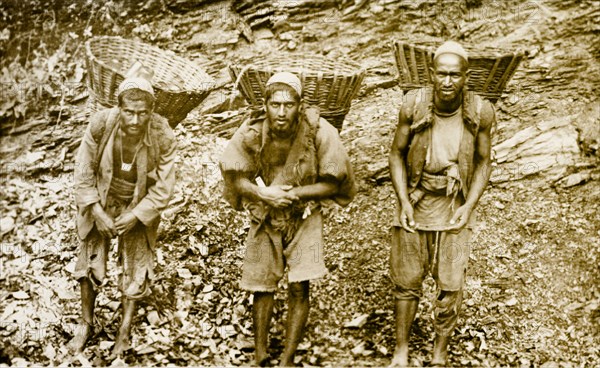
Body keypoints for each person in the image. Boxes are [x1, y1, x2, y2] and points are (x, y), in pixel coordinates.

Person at [220, 72, 356, 366]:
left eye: (289, 104)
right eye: (275, 104)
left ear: (300, 104)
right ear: (265, 105)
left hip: (305, 213)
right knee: (261, 285)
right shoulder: (253, 129)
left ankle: (287, 358)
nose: (282, 112)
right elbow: (235, 175)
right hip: (265, 211)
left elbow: (335, 183)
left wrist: (294, 194)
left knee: (300, 283)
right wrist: (264, 194)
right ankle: (260, 354)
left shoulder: (320, 131)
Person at [388, 41, 495, 367]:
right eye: (442, 74)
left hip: (453, 204)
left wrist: (470, 205)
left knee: (450, 282)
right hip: (417, 202)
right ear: (432, 74)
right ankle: (402, 349)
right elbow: (396, 153)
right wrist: (403, 200)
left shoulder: (481, 111)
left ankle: (439, 350)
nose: (448, 82)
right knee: (406, 280)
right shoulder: (414, 105)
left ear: (466, 77)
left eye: (455, 75)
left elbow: (483, 161)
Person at [69, 76, 177, 359]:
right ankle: (86, 323)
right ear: (119, 107)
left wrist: (137, 215)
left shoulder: (162, 134)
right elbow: (83, 172)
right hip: (103, 197)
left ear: (151, 111)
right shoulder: (101, 124)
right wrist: (96, 210)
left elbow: (165, 187)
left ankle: (125, 330)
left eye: (142, 112)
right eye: (129, 111)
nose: (135, 119)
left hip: (140, 201)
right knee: (91, 255)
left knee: (137, 263)